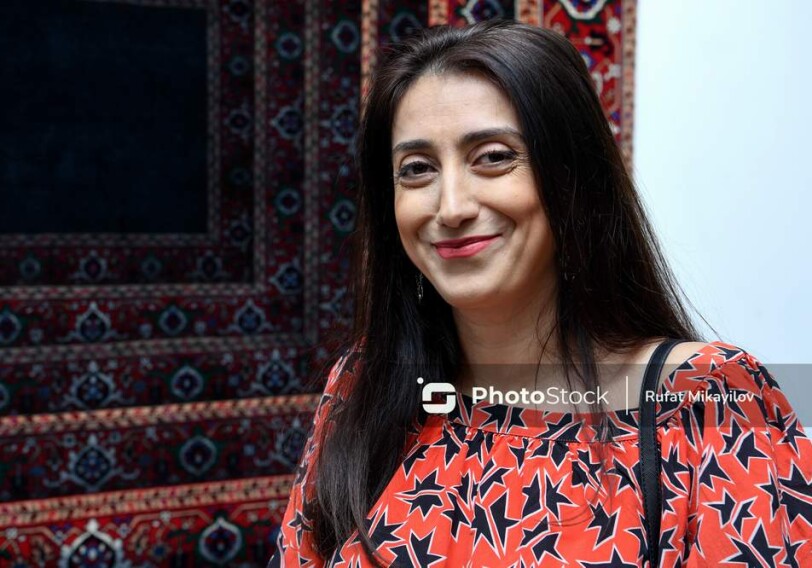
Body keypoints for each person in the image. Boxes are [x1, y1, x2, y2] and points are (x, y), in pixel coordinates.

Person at [268, 19, 812, 567]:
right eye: (417, 169)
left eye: (493, 157)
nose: (451, 206)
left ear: (572, 178)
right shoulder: (363, 385)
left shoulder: (708, 401)